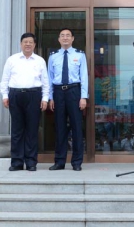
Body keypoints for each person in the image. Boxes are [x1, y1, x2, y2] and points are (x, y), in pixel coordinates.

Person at [0, 33, 49, 172]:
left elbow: (45, 81)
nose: (28, 44)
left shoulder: (39, 61)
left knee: (32, 130)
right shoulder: (12, 60)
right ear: (21, 44)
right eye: (25, 42)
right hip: (15, 94)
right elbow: (5, 79)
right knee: (17, 130)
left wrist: (45, 98)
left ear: (34, 45)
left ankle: (31, 162)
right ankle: (16, 162)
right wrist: (5, 95)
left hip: (34, 95)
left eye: (30, 42)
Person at [48, 28, 88, 171]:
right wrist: (50, 97)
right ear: (59, 39)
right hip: (58, 92)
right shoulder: (53, 56)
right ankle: (59, 161)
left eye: (68, 36)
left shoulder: (80, 55)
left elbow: (84, 77)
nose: (65, 38)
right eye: (62, 36)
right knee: (60, 128)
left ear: (72, 39)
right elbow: (49, 78)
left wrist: (83, 97)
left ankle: (77, 162)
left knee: (77, 127)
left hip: (74, 91)